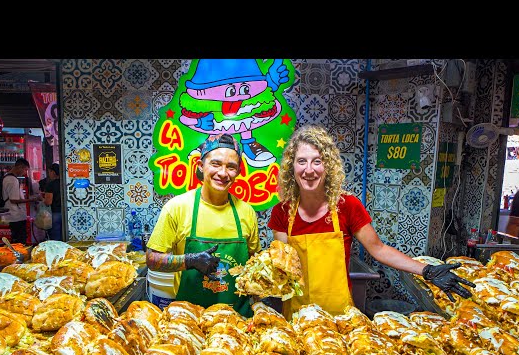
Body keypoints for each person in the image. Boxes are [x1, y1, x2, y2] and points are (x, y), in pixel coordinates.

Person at [268, 124, 474, 319]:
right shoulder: (282, 212)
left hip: (339, 317)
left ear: (328, 166)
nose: (309, 170)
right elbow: (282, 264)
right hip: (297, 316)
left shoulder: (347, 206)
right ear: (291, 168)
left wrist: (426, 270)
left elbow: (379, 249)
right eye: (301, 161)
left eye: (317, 161)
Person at [146, 133, 261, 317]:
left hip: (237, 322)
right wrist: (189, 260)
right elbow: (152, 260)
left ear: (238, 172)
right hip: (189, 320)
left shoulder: (246, 212)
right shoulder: (177, 208)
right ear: (201, 166)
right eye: (215, 164)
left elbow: (255, 264)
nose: (223, 173)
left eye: (231, 167)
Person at [3, 158, 40, 245]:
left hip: (14, 215)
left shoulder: (8, 178)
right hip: (16, 215)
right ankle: (18, 256)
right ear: (20, 167)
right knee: (19, 241)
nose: (25, 173)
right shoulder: (12, 180)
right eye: (25, 170)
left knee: (17, 239)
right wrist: (31, 199)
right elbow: (14, 200)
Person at [42, 162, 62, 241]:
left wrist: (42, 199)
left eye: (49, 172)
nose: (49, 174)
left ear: (53, 172)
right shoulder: (65, 183)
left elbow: (48, 202)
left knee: (55, 238)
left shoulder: (50, 185)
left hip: (55, 214)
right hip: (67, 214)